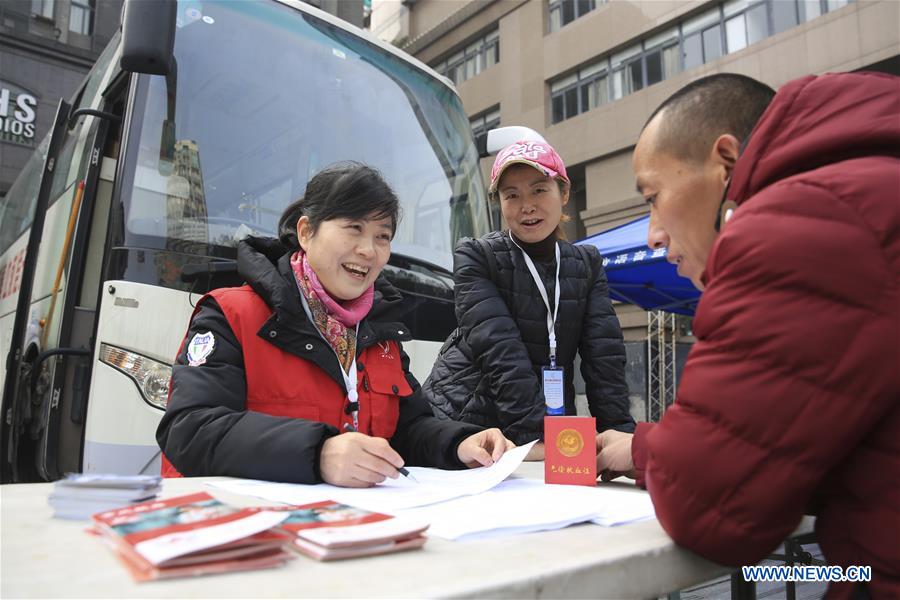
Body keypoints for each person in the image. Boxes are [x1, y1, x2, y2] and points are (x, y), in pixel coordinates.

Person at [597, 72, 899, 598]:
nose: (652, 234)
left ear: (726, 162)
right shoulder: (866, 186)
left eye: (653, 196)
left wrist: (652, 455)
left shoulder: (802, 219)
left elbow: (711, 508)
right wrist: (651, 449)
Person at [157, 162, 514, 487]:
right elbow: (189, 429)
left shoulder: (381, 335)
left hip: (355, 533)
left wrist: (459, 443)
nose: (368, 250)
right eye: (353, 229)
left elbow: (406, 430)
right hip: (254, 538)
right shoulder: (231, 315)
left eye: (382, 236)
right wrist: (319, 453)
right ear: (306, 232)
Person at [423, 140, 635, 459]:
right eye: (512, 195)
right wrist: (538, 436)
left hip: (543, 432)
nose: (527, 206)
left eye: (539, 190)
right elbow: (499, 352)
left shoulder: (586, 265)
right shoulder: (477, 257)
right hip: (466, 423)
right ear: (500, 203)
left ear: (563, 193)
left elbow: (604, 355)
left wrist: (618, 431)